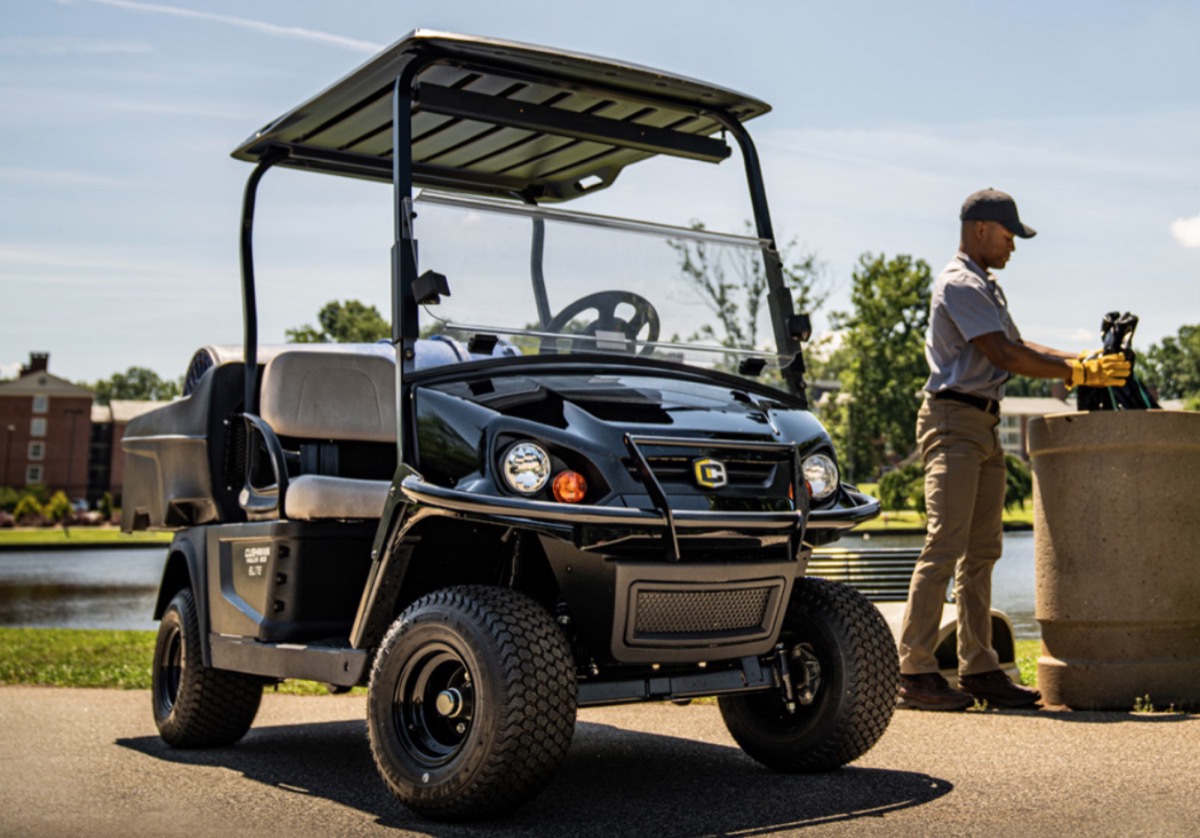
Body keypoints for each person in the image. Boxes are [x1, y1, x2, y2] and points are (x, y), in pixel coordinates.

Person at [897, 188, 1130, 711]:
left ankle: (979, 668)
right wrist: (1077, 372)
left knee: (981, 552)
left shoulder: (987, 286)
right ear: (980, 228)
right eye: (1009, 236)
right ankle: (914, 669)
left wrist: (1084, 358)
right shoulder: (958, 283)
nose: (1013, 247)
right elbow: (1003, 353)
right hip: (953, 419)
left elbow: (1025, 348)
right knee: (945, 544)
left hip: (981, 422)